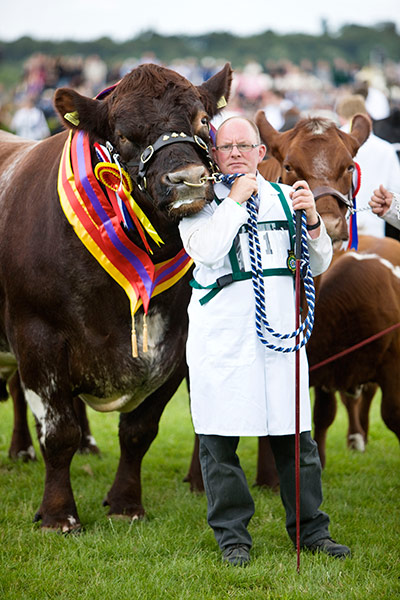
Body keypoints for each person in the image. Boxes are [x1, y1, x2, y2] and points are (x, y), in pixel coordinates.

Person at [178, 116, 351, 566]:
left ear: (262, 153)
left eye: (244, 145)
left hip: (278, 340)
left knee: (297, 441)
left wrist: (312, 220)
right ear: (214, 156)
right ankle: (233, 535)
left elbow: (316, 265)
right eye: (226, 146)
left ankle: (311, 530)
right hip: (223, 342)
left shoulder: (286, 199)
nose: (235, 152)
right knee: (219, 444)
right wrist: (235, 200)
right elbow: (207, 250)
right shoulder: (198, 204)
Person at [336, 94, 400, 238]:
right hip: (375, 224)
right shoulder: (386, 148)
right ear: (366, 116)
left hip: (341, 227)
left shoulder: (331, 146)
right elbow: (396, 188)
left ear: (340, 116)